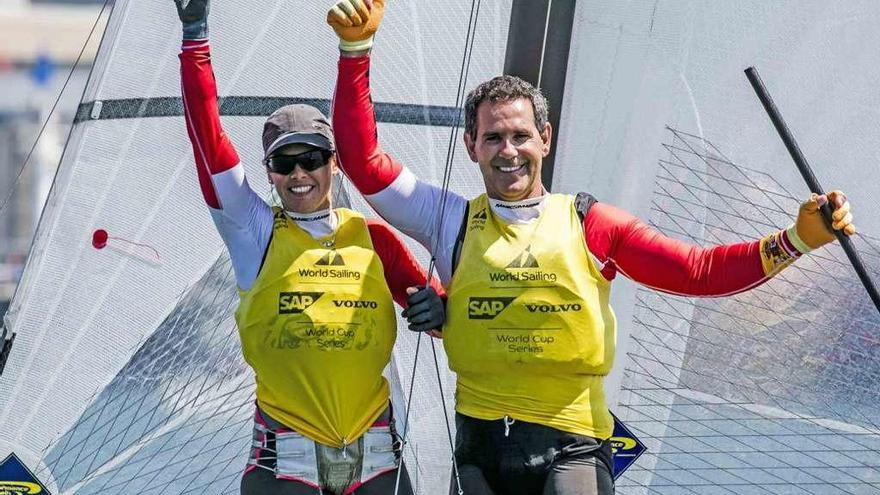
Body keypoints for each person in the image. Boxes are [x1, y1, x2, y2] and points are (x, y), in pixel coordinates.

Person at [326, 1, 858, 494]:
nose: (508, 152)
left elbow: (698, 271)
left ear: (546, 139)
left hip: (571, 449)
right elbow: (364, 163)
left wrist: (797, 240)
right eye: (492, 139)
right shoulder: (449, 221)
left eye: (520, 136)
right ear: (471, 146)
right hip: (480, 448)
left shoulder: (591, 225)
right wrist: (356, 52)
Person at [173, 1, 447, 493]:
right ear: (270, 173)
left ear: (334, 164)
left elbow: (446, 320)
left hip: (376, 456)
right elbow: (208, 141)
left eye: (312, 158)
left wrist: (438, 308)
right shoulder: (254, 232)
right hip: (287, 458)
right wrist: (196, 36)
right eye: (285, 163)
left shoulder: (375, 238)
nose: (299, 174)